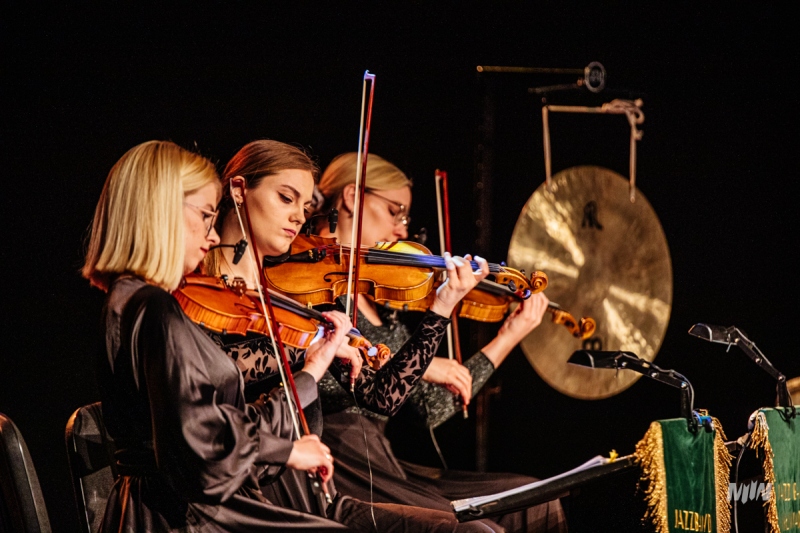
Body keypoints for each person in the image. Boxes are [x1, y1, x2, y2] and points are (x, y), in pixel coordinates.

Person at [204, 139, 494, 532]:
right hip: (251, 490)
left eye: (304, 207)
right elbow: (217, 386)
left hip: (313, 490)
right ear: (239, 191)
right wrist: (310, 351)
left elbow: (383, 396)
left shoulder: (295, 296)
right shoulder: (199, 291)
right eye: (286, 198)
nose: (297, 218)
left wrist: (442, 307)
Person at [82, 140, 353, 531]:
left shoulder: (128, 300)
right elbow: (203, 446)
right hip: (182, 515)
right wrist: (287, 449)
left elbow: (202, 426)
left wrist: (310, 375)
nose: (211, 238)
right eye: (206, 215)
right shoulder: (152, 306)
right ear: (162, 210)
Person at [313, 152, 568, 533]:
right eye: (394, 211)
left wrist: (508, 337)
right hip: (342, 460)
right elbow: (328, 379)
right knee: (479, 530)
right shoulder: (313, 285)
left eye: (405, 217)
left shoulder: (383, 300)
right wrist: (424, 362)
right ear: (352, 196)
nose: (401, 229)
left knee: (535, 497)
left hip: (385, 462)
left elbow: (429, 407)